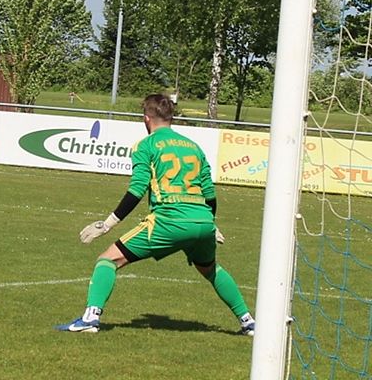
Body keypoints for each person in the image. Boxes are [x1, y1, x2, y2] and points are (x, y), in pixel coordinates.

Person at [58, 93, 255, 336]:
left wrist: (107, 224)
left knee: (108, 260)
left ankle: (90, 318)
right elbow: (210, 195)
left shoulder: (146, 145)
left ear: (146, 119)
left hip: (168, 221)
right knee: (211, 269)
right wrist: (211, 225)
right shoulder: (194, 147)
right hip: (203, 221)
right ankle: (248, 322)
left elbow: (137, 190)